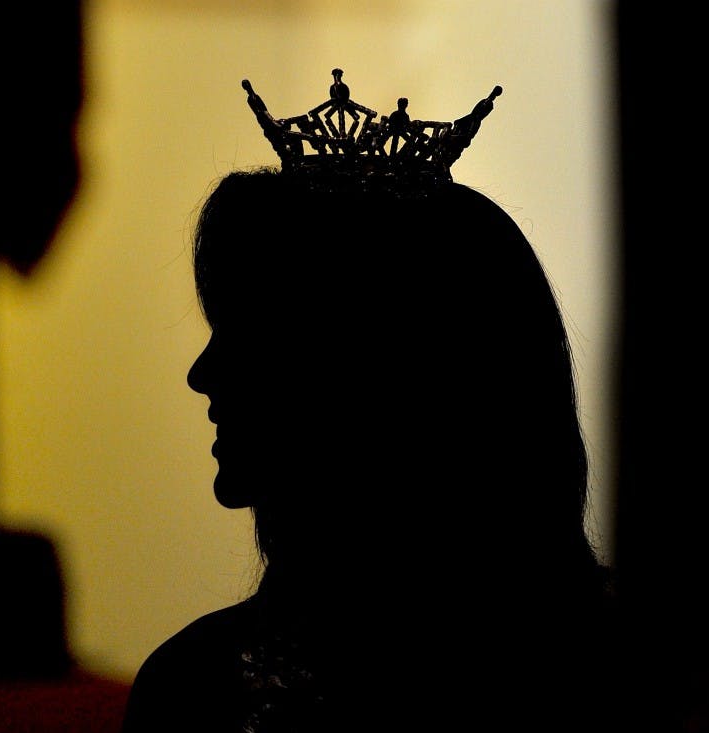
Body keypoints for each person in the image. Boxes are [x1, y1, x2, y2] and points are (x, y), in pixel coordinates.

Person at [121, 76, 620, 732]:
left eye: (251, 333)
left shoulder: (200, 689)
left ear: (359, 368)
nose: (203, 374)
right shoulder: (615, 670)